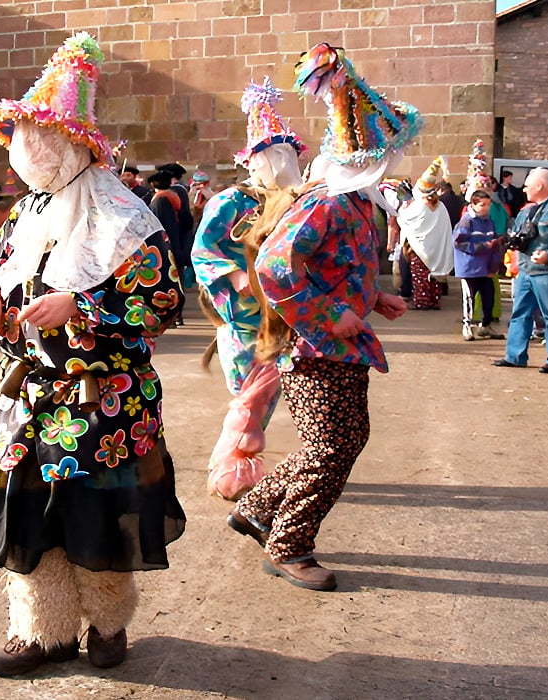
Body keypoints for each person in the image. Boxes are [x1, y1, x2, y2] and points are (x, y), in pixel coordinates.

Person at [0, 33, 185, 677]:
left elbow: (163, 307)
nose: (26, 156)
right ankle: (43, 630)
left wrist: (82, 308)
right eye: (20, 144)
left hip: (107, 406)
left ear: (75, 147)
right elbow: (3, 279)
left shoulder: (125, 219)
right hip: (31, 397)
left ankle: (107, 624)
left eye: (40, 143)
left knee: (97, 515)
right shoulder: (21, 218)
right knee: (31, 514)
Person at [227, 43, 413, 592]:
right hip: (313, 349)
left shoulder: (357, 205)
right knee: (333, 446)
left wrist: (375, 299)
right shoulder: (327, 201)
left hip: (338, 346)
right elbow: (276, 265)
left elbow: (338, 267)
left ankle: (259, 508)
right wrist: (331, 313)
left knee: (338, 441)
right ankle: (288, 542)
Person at [191, 75, 305, 501]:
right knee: (246, 395)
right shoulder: (230, 202)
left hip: (287, 315)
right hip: (244, 319)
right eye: (275, 156)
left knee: (266, 397)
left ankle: (239, 459)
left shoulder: (298, 203)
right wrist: (235, 276)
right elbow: (202, 250)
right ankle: (232, 464)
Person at [493, 168, 548, 373]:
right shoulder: (525, 211)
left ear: (540, 186)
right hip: (525, 270)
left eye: (527, 185)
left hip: (547, 271)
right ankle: (514, 355)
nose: (524, 189)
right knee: (519, 313)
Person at [394, 158, 454, 310]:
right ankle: (434, 301)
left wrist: (405, 204)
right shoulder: (441, 207)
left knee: (420, 276)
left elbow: (404, 219)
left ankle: (421, 301)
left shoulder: (418, 206)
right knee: (433, 277)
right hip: (435, 248)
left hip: (420, 249)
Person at [453, 191, 504, 340]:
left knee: (489, 296)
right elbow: (459, 243)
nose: (486, 208)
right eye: (482, 205)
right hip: (470, 267)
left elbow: (493, 242)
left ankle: (486, 325)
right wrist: (481, 246)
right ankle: (467, 325)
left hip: (486, 267)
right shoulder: (466, 221)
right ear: (473, 204)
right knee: (470, 298)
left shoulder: (489, 221)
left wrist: (494, 264)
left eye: (488, 205)